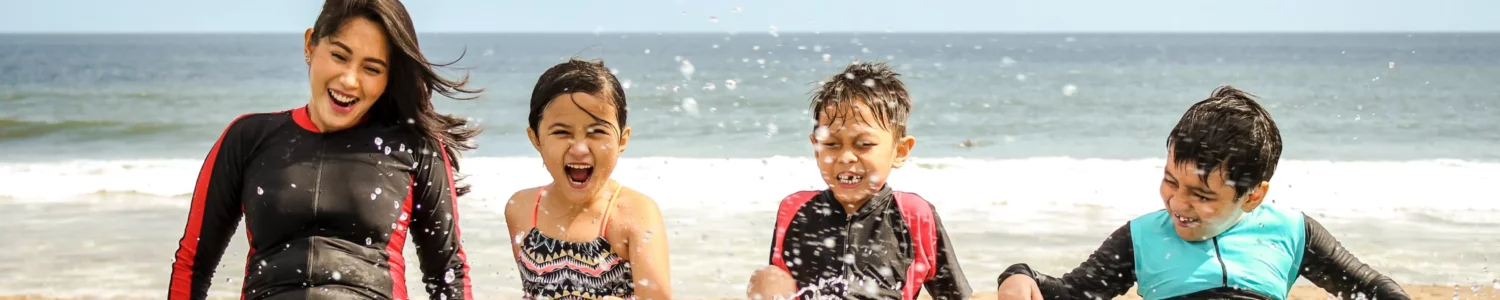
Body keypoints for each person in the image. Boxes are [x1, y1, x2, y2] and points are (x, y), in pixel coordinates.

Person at [166, 0, 479, 299]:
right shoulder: (247, 138)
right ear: (310, 46)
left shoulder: (415, 147)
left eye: (371, 69)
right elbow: (194, 263)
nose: (349, 80)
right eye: (340, 56)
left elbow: (447, 273)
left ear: (387, 79)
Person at [994, 85, 1410, 300]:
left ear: (1252, 196)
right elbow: (1071, 294)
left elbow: (1370, 289)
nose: (1178, 202)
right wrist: (1019, 275)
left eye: (1202, 195)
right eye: (1170, 181)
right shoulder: (1141, 237)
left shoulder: (1291, 232)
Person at [746, 62, 971, 300]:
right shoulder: (795, 210)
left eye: (864, 144)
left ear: (900, 151)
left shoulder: (913, 214)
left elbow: (955, 295)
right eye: (831, 144)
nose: (845, 157)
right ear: (816, 149)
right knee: (767, 278)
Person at [503, 58, 672, 300]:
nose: (579, 149)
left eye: (597, 132)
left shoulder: (633, 214)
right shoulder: (521, 208)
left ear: (622, 140)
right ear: (536, 139)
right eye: (562, 132)